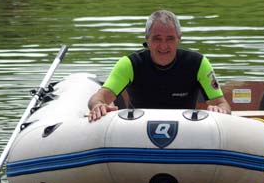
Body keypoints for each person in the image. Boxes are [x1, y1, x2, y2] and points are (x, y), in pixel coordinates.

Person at [87, 10, 231, 122]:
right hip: (135, 133)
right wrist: (98, 105)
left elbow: (222, 104)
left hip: (187, 132)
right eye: (157, 38)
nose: (163, 46)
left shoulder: (198, 63)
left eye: (170, 39)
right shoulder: (129, 64)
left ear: (179, 38)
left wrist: (220, 110)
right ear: (147, 39)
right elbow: (97, 98)